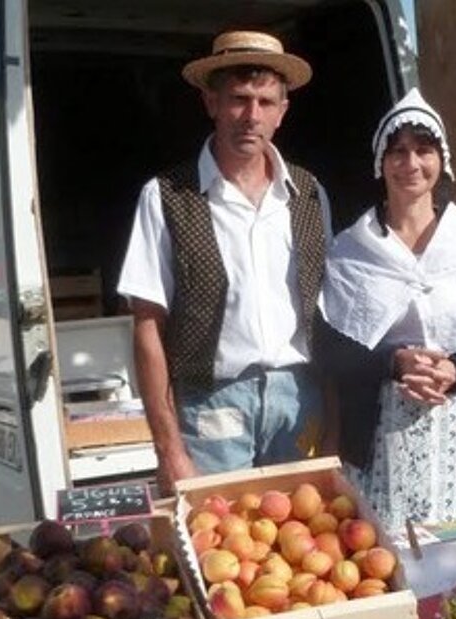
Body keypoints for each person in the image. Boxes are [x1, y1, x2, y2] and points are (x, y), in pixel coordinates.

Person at [116, 31, 331, 494]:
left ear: (282, 111)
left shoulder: (308, 194)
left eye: (265, 101)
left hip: (299, 399)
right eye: (238, 99)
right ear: (210, 102)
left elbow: (331, 310)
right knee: (219, 553)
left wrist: (337, 419)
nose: (251, 116)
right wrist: (168, 450)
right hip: (210, 407)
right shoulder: (168, 196)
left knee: (307, 548)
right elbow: (147, 325)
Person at [317, 89, 456, 534]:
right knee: (387, 564)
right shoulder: (353, 247)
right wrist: (394, 362)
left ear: (441, 158)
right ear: (380, 161)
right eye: (398, 151)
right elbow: (331, 346)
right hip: (380, 438)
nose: (410, 163)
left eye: (423, 150)